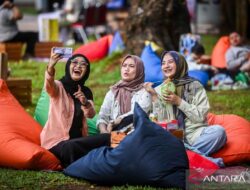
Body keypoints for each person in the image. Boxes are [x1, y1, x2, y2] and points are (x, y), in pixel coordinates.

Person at [144, 51, 227, 167]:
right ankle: (206, 161)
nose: (166, 66)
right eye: (163, 63)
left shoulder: (195, 86)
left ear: (180, 64)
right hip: (173, 135)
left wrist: (179, 102)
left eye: (170, 62)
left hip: (195, 135)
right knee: (162, 140)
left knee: (219, 132)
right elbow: (162, 120)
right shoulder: (159, 89)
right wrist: (154, 97)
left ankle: (182, 154)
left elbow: (200, 116)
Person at [40, 49, 110, 167]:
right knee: (70, 147)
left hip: (79, 141)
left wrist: (85, 102)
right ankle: (82, 162)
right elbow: (49, 85)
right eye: (75, 62)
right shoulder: (58, 86)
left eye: (83, 64)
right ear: (68, 66)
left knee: (107, 138)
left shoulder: (86, 91)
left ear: (86, 71)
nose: (78, 66)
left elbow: (91, 114)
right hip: (57, 144)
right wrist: (50, 66)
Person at [97, 54, 152, 134]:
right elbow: (102, 116)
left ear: (139, 70)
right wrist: (104, 133)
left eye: (131, 66)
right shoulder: (113, 91)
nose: (126, 69)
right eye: (124, 65)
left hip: (135, 134)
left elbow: (136, 113)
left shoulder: (146, 91)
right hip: (111, 134)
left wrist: (114, 122)